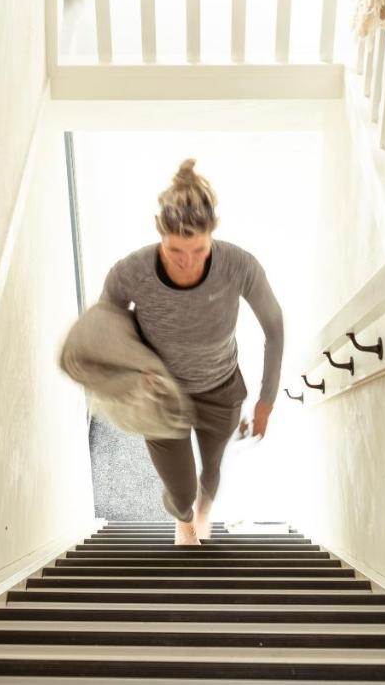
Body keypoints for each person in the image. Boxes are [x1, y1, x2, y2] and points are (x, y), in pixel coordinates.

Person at [101, 159, 284, 546]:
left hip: (220, 391)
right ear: (160, 236)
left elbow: (274, 327)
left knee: (212, 468)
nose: (187, 261)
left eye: (198, 249)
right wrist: (132, 372)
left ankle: (204, 509)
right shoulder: (130, 272)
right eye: (174, 250)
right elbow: (107, 327)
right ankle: (184, 518)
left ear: (212, 235)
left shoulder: (239, 266)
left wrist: (267, 400)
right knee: (178, 488)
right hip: (160, 396)